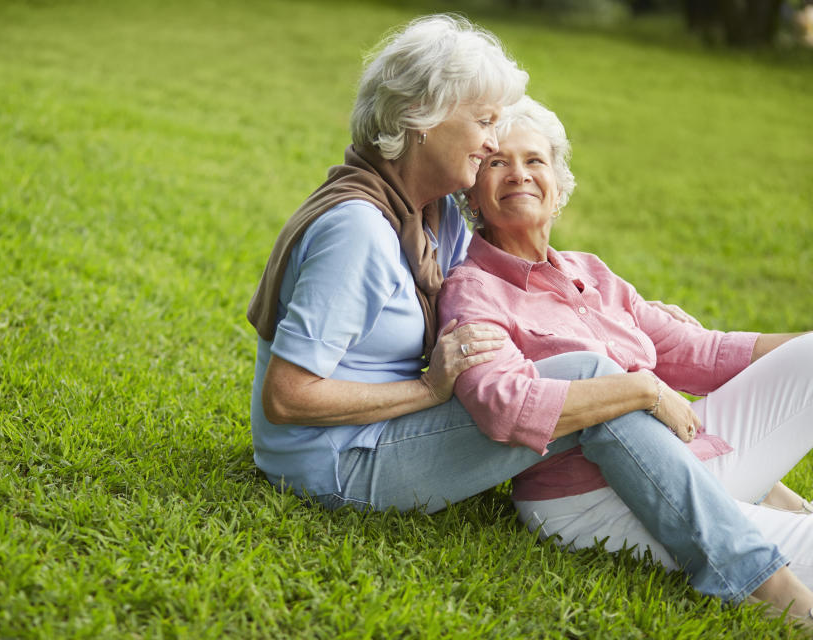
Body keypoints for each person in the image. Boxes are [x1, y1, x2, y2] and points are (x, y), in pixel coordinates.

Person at [247, 13, 793, 617]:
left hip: (378, 435)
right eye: (482, 123)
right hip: (338, 462)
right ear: (422, 119)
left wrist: (631, 320)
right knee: (587, 375)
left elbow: (510, 294)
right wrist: (428, 390)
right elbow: (288, 399)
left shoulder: (434, 217)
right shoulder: (359, 231)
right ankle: (757, 580)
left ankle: (752, 501)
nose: (489, 144)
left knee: (585, 368)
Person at [438, 95, 813, 625]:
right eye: (499, 162)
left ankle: (764, 502)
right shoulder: (474, 291)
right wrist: (644, 389)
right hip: (593, 498)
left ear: (559, 184)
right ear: (473, 193)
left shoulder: (591, 272)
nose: (518, 174)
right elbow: (501, 405)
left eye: (534, 160)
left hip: (685, 458)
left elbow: (698, 353)